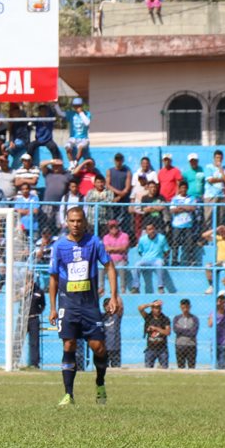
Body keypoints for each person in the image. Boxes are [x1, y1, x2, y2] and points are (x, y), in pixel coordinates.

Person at [48, 206, 120, 405]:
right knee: (69, 343)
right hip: (67, 304)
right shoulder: (59, 246)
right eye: (72, 221)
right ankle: (68, 394)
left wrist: (114, 296)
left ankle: (99, 383)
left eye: (79, 221)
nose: (75, 224)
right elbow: (53, 277)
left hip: (89, 305)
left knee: (98, 347)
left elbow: (110, 267)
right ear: (67, 222)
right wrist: (53, 307)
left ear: (85, 222)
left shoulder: (94, 242)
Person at [136, 222, 174, 294]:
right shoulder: (142, 239)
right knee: (136, 265)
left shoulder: (162, 238)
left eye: (152, 229)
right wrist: (146, 256)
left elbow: (167, 250)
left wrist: (163, 257)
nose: (151, 231)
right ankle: (136, 287)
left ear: (155, 229)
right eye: (149, 229)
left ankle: (160, 286)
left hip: (157, 259)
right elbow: (140, 251)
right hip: (145, 259)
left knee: (160, 264)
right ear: (146, 231)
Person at [138, 300, 170, 368]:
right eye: (156, 308)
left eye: (159, 308)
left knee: (164, 368)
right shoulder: (148, 317)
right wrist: (151, 304)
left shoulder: (165, 319)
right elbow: (140, 308)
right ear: (152, 308)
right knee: (148, 369)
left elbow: (167, 332)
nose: (158, 310)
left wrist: (156, 328)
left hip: (162, 349)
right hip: (150, 348)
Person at [173, 298, 199, 369]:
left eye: (187, 307)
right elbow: (176, 330)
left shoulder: (194, 318)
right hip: (180, 345)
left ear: (190, 307)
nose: (185, 309)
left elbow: (193, 332)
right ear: (180, 307)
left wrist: (181, 331)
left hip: (191, 345)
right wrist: (187, 330)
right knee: (180, 366)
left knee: (191, 366)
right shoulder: (177, 318)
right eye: (183, 307)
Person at [64, 98, 91, 166]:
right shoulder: (71, 114)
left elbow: (87, 123)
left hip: (84, 138)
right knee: (67, 147)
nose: (77, 107)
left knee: (81, 147)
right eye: (75, 106)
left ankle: (76, 162)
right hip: (73, 138)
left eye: (79, 106)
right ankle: (71, 163)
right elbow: (61, 113)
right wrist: (56, 105)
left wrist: (81, 113)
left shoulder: (87, 114)